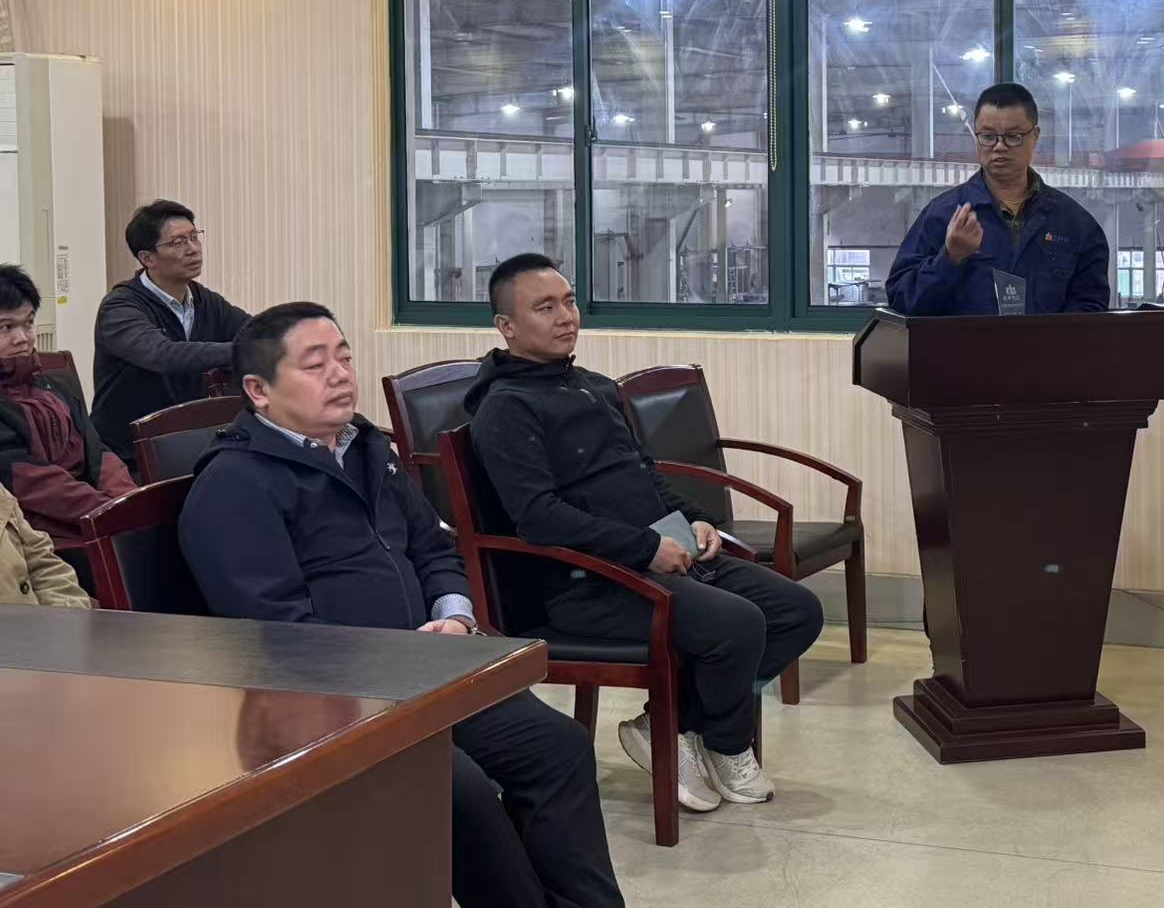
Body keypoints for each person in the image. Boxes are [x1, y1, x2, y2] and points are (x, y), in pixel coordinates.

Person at [178, 303, 623, 908]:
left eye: (344, 357)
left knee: (557, 745)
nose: (340, 374)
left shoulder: (367, 448)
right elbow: (276, 632)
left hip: (424, 676)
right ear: (259, 390)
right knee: (456, 787)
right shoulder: (235, 484)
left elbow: (433, 546)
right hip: (332, 704)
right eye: (315, 364)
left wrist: (454, 613)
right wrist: (396, 664)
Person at [468, 253, 823, 813]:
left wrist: (696, 519)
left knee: (796, 610)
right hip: (586, 584)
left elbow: (643, 475)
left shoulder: (592, 386)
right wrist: (646, 548)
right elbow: (539, 517)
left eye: (569, 301)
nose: (566, 317)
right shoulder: (506, 410)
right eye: (545, 307)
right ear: (506, 327)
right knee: (737, 624)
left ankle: (673, 724)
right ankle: (724, 743)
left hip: (658, 555)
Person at [885, 82, 1111, 315]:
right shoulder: (942, 216)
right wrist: (950, 258)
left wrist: (1047, 336)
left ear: (1035, 136)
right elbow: (901, 299)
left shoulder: (1075, 225)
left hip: (1047, 341)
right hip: (965, 341)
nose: (999, 147)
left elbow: (1091, 307)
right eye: (988, 136)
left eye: (1013, 136)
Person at [92, 200, 250, 464]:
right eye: (178, 242)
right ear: (147, 258)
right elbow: (164, 355)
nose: (193, 249)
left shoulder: (203, 299)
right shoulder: (120, 307)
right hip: (127, 456)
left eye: (194, 237)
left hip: (189, 443)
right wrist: (243, 352)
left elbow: (253, 330)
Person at [0, 264, 136, 548]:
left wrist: (128, 500)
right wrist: (109, 512)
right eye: (5, 327)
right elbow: (32, 484)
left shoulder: (56, 385)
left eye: (28, 323)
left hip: (94, 513)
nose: (22, 338)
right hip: (31, 533)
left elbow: (98, 452)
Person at [1, 481, 94, 608]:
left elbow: (43, 564)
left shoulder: (2, 494)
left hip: (37, 616)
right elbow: (55, 490)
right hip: (69, 536)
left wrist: (66, 613)